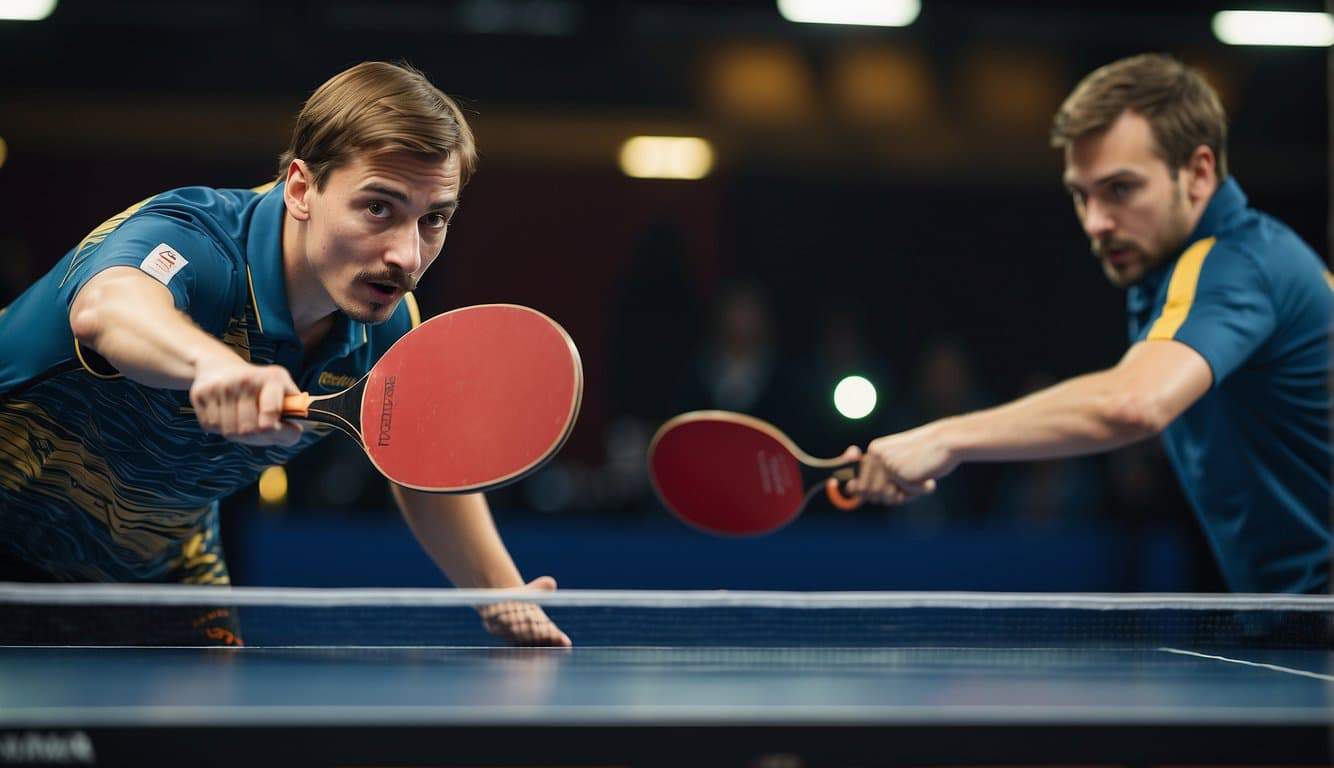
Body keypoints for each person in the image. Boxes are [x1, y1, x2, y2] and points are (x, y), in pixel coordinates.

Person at [0, 61, 570, 645]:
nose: (407, 254)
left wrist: (501, 595)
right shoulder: (192, 238)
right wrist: (215, 366)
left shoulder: (387, 327)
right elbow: (108, 306)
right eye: (379, 208)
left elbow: (418, 464)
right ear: (301, 188)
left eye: (433, 220)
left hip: (152, 567)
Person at [845, 54, 1332, 594]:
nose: (1096, 222)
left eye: (1121, 189)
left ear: (1197, 172)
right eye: (1082, 194)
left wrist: (945, 438)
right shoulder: (1181, 270)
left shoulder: (1234, 264)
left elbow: (1133, 402)